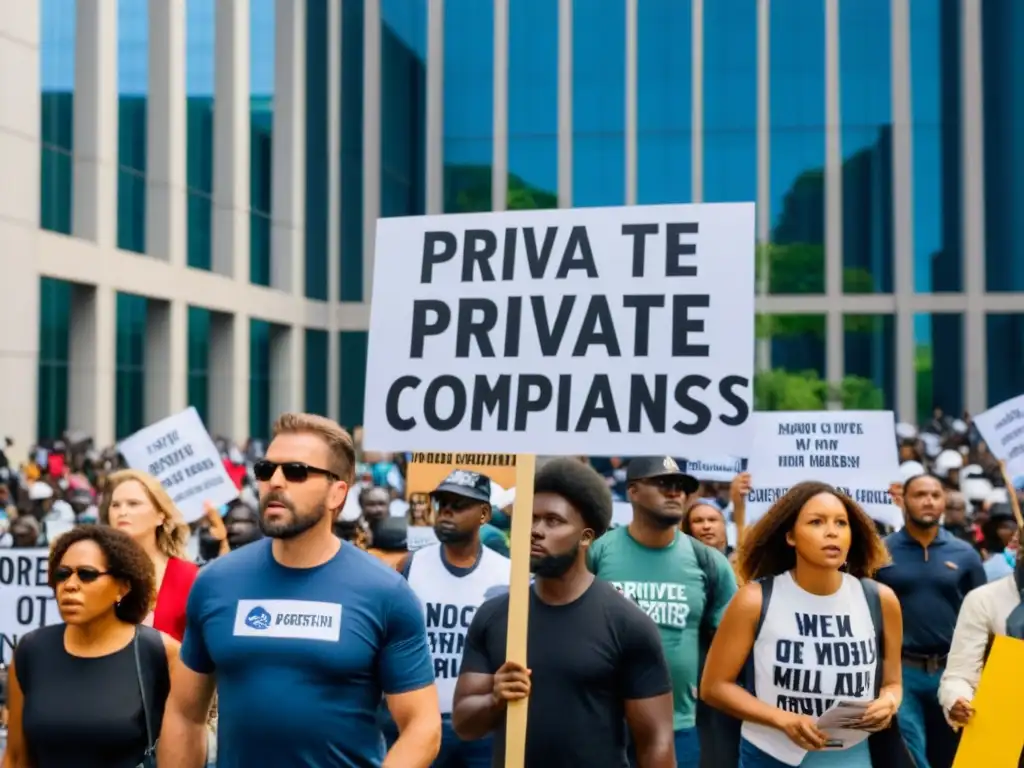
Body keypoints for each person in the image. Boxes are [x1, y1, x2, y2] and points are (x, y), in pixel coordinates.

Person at [157, 412, 441, 767]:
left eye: (295, 471)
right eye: (265, 470)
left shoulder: (385, 592)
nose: (275, 481)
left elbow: (422, 726)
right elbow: (185, 714)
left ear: (337, 492)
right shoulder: (215, 583)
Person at [452, 458, 676, 767]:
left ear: (586, 537)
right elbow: (464, 725)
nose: (535, 531)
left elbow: (656, 743)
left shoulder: (628, 624)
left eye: (552, 521)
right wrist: (495, 698)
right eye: (530, 519)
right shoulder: (495, 616)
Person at [700, 481, 905, 768]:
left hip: (850, 756)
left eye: (841, 523)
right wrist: (782, 719)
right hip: (770, 754)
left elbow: (893, 683)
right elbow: (715, 687)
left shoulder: (879, 599)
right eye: (816, 522)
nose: (832, 531)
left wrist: (889, 702)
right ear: (790, 536)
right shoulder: (754, 599)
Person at [588, 456, 737, 766]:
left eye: (681, 487)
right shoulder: (598, 553)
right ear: (632, 491)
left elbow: (734, 639)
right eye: (663, 484)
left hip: (678, 724)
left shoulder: (708, 562)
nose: (675, 493)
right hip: (602, 720)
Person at [3, 525, 178, 768]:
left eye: (86, 574)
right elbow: (15, 758)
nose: (70, 584)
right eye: (62, 574)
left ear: (123, 587)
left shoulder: (160, 651)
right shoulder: (31, 650)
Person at [397, 469, 511, 767]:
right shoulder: (411, 566)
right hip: (422, 718)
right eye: (442, 503)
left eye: (459, 504)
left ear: (484, 513)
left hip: (481, 721)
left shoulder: (508, 574)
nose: (446, 511)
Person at [873, 473, 986, 768]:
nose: (929, 501)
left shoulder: (965, 554)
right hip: (901, 670)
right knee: (911, 754)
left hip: (952, 671)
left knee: (953, 751)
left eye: (936, 495)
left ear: (944, 502)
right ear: (902, 500)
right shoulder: (880, 553)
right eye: (920, 494)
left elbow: (982, 613)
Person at [101, 469, 197, 641]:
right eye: (115, 505)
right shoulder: (95, 570)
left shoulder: (188, 576)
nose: (122, 512)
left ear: (160, 516)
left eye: (133, 504)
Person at [938, 552, 1022, 730]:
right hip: (1003, 730)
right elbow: (960, 674)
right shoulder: (983, 600)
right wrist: (957, 699)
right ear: (1018, 547)